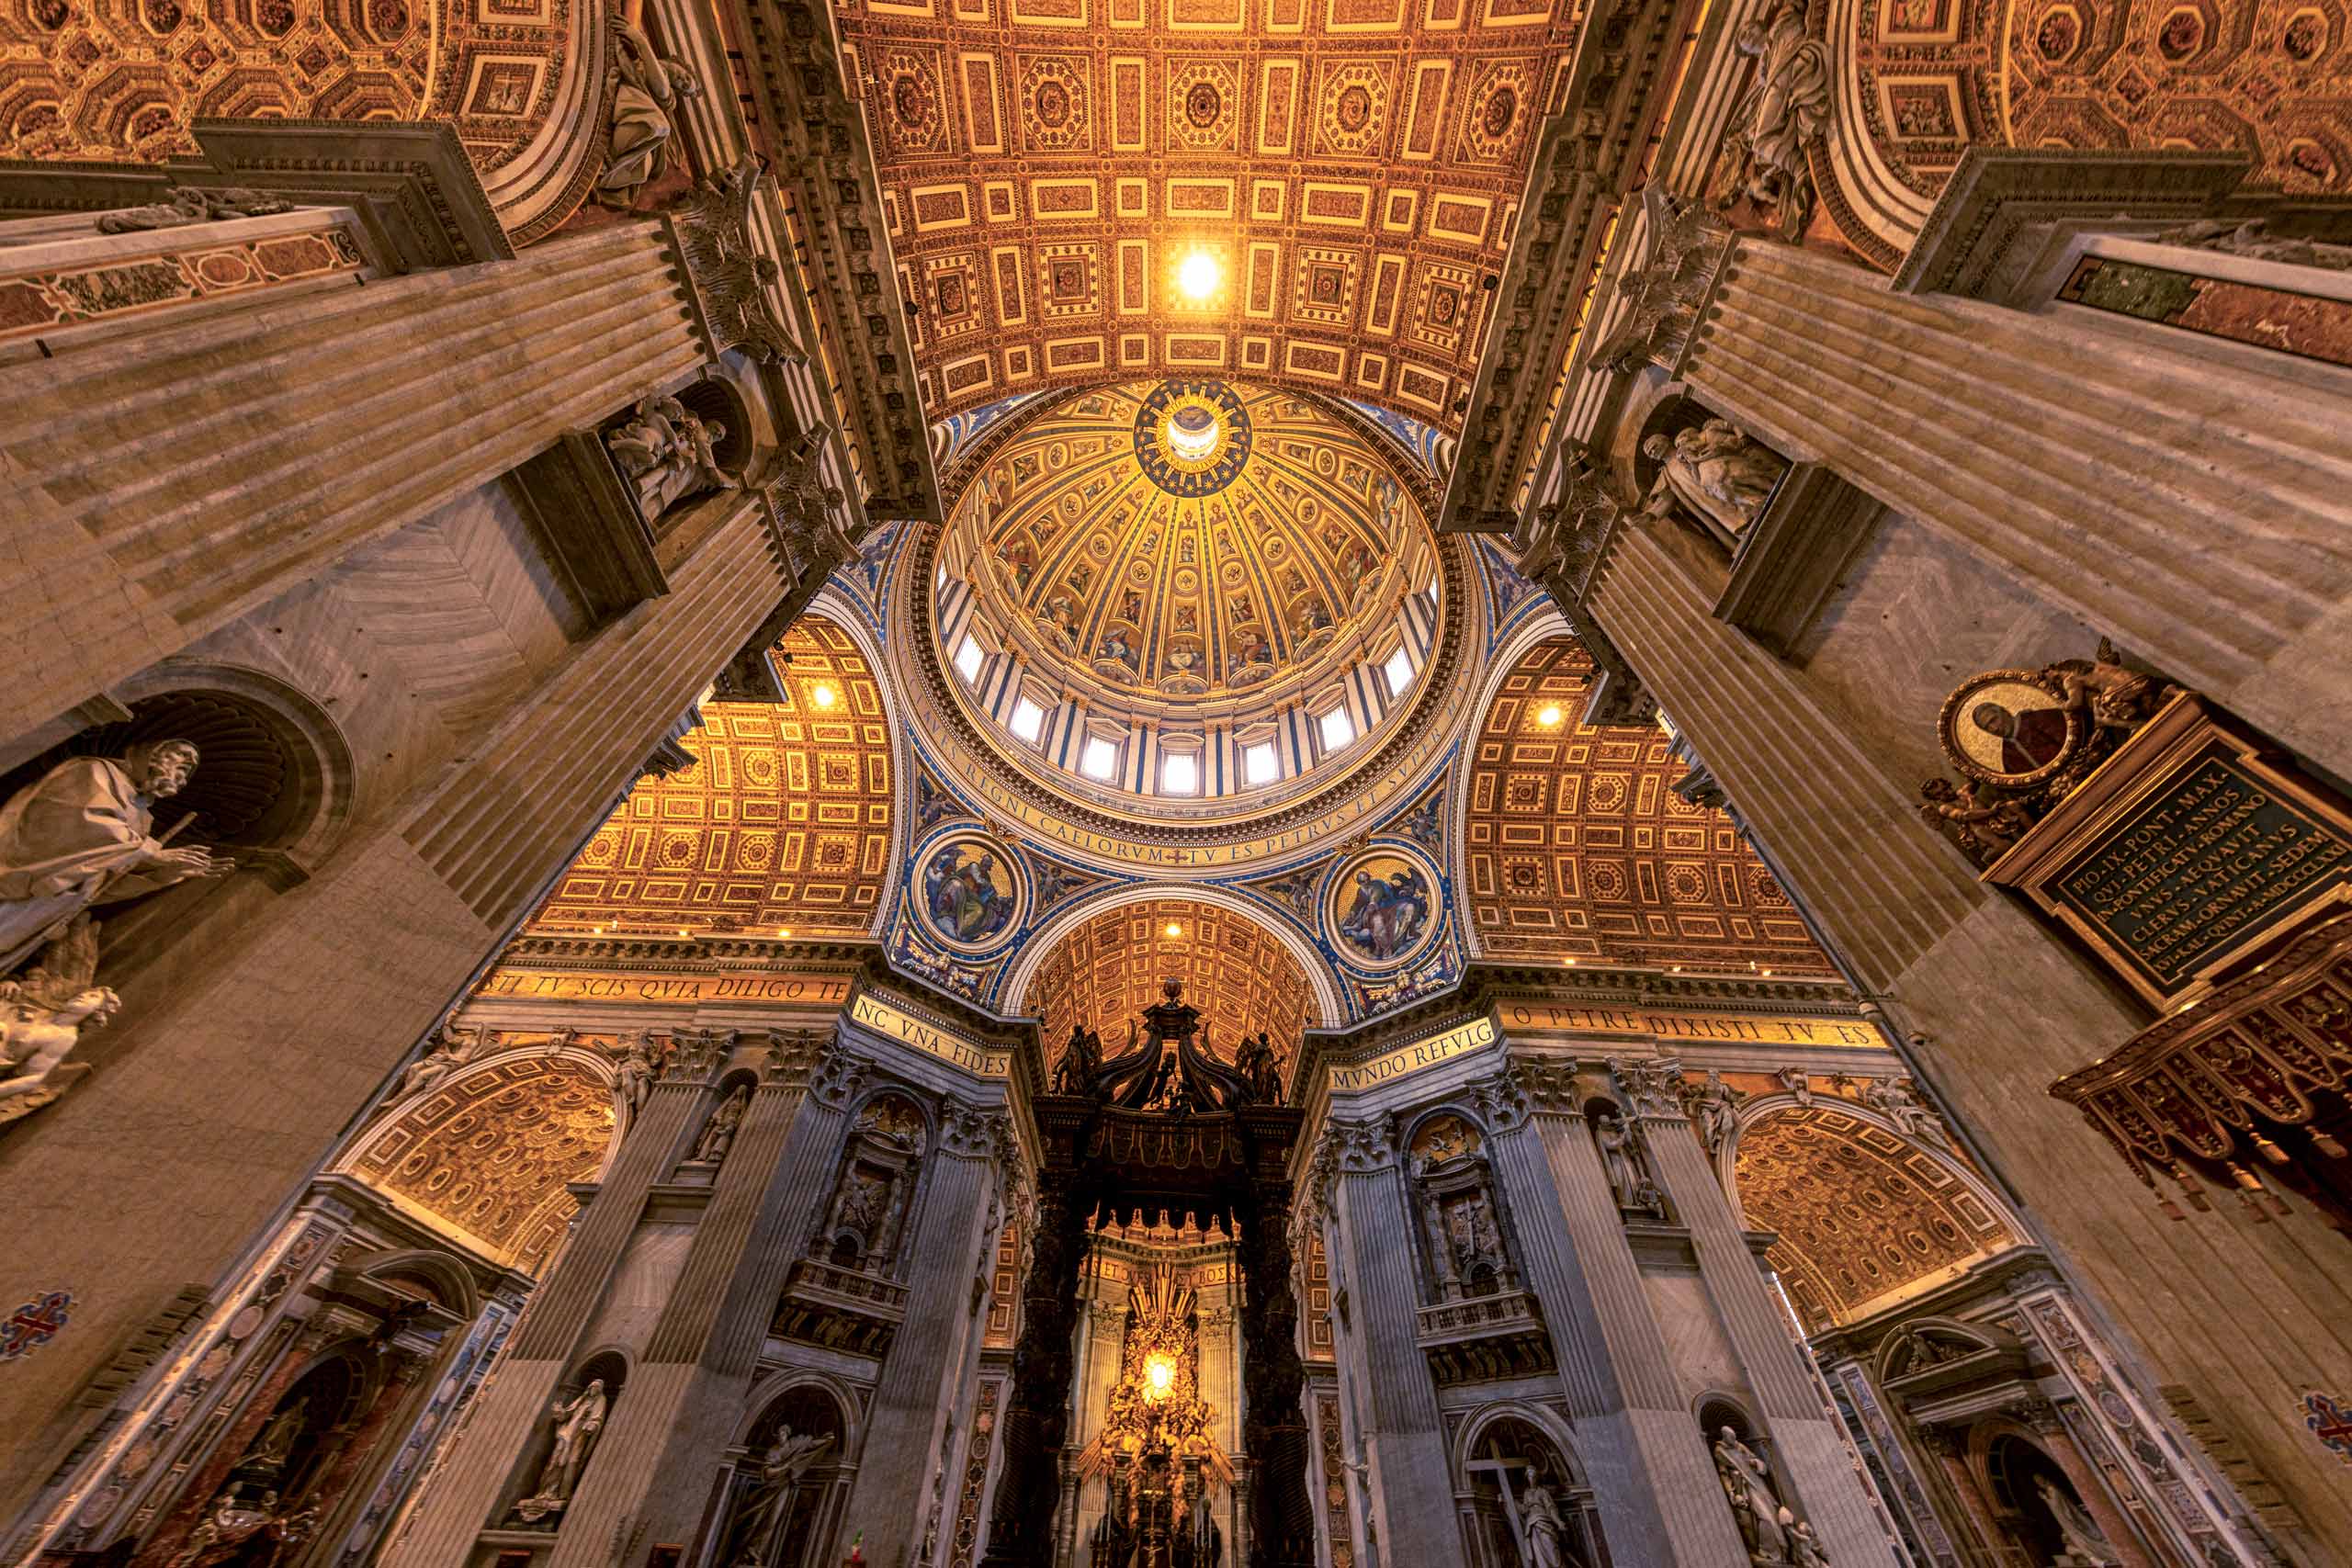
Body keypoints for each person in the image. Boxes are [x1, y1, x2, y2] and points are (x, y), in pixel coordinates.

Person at [0, 739, 232, 975]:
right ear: (153, 755)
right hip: (18, 881)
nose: (182, 779)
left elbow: (102, 886)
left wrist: (163, 874)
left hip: (45, 908)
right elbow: (78, 820)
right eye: (182, 766)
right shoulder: (94, 772)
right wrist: (149, 853)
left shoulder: (142, 821)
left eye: (187, 773)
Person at [1970, 699, 2070, 774]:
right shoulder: (2007, 755)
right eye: (1987, 727)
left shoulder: (2039, 718)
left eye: (1993, 720)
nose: (1994, 728)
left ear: (2005, 712)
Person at [1520, 1468, 1569, 1568]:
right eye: (1530, 1476)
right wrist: (1508, 1502)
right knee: (1538, 1552)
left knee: (1550, 1546)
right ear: (1527, 1478)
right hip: (1532, 1525)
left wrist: (1558, 1522)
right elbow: (1523, 1509)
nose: (1532, 1478)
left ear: (1537, 1478)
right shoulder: (1526, 1493)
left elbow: (1550, 1508)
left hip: (1544, 1521)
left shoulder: (1543, 1491)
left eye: (1534, 1476)